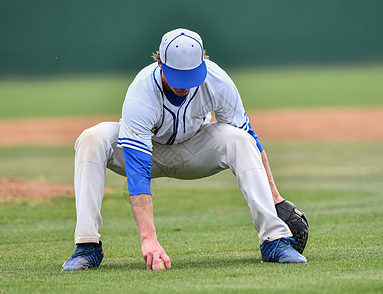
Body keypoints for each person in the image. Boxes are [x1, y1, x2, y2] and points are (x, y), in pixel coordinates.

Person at [62, 28, 307, 271]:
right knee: (91, 138)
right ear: (160, 63)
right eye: (177, 76)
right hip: (145, 153)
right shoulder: (141, 91)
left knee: (241, 139)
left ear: (203, 63)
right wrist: (149, 240)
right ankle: (87, 246)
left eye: (190, 76)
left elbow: (251, 138)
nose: (184, 86)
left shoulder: (217, 80)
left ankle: (274, 240)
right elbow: (137, 170)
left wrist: (276, 197)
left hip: (195, 152)